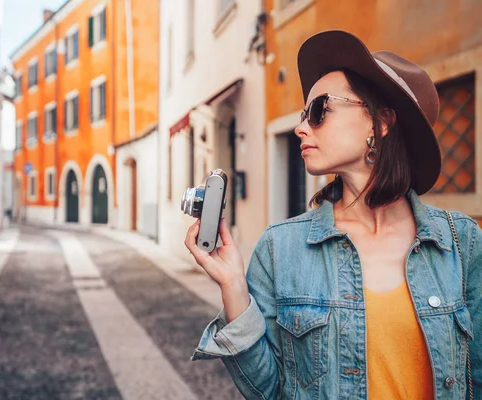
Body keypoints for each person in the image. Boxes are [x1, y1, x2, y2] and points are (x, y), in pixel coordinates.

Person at [185, 30, 481, 399]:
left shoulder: (461, 242)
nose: (300, 127)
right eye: (303, 114)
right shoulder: (281, 249)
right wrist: (232, 286)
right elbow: (269, 391)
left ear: (380, 122)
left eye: (319, 109)